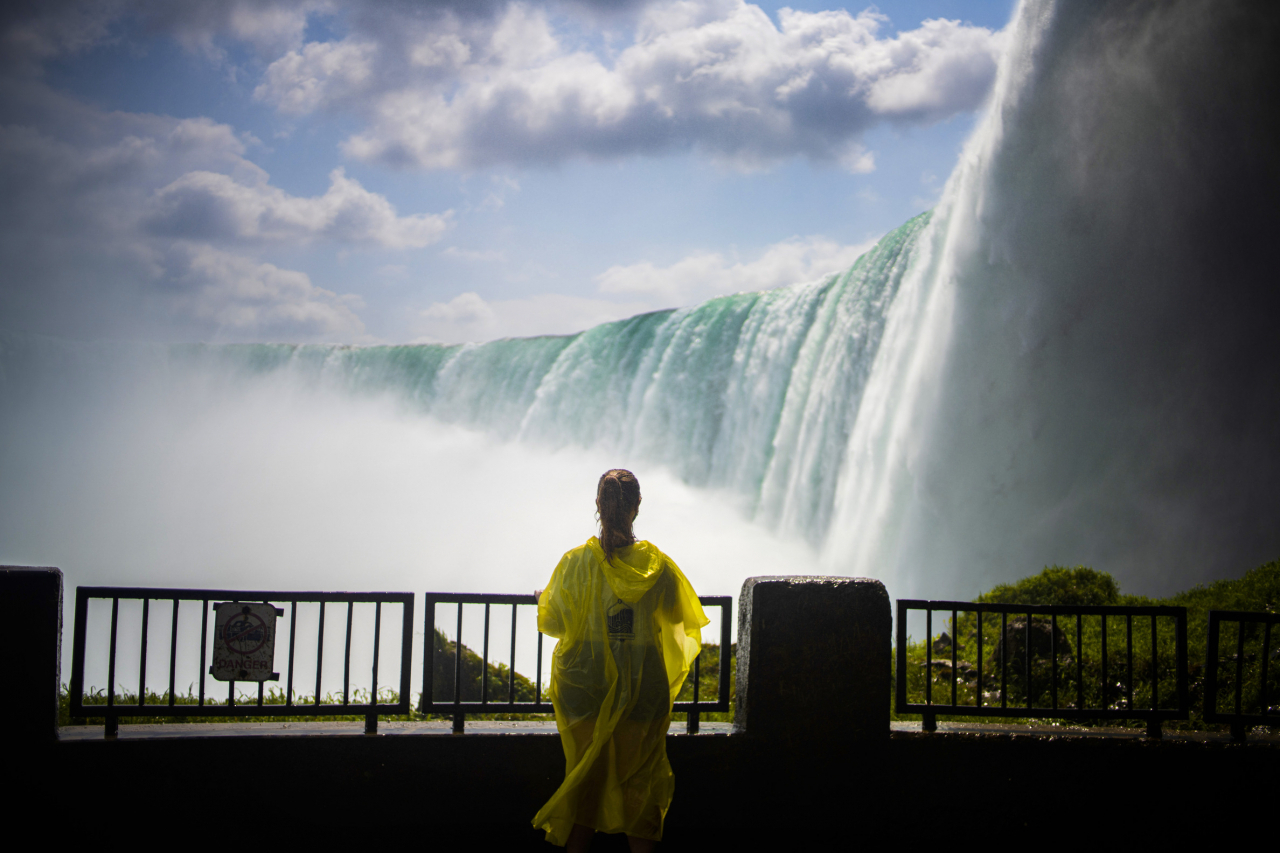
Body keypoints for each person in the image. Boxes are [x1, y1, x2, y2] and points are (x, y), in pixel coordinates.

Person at [532, 469, 708, 851]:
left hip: (587, 686)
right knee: (640, 783)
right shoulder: (657, 565)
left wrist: (543, 596)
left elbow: (553, 620)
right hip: (643, 687)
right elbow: (679, 615)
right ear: (637, 506)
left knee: (585, 780)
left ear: (598, 506)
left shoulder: (574, 564)